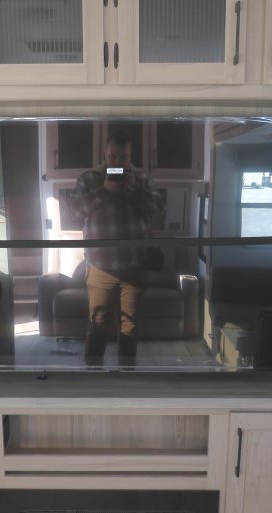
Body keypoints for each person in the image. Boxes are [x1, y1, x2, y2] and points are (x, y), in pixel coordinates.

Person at [71, 129, 165, 366]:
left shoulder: (142, 178)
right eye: (112, 156)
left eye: (123, 157)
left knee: (129, 326)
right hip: (100, 266)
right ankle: (93, 375)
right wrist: (104, 191)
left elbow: (157, 210)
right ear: (105, 152)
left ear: (130, 155)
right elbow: (74, 211)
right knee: (97, 323)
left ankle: (127, 378)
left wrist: (135, 190)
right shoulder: (89, 178)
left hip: (135, 265)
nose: (117, 162)